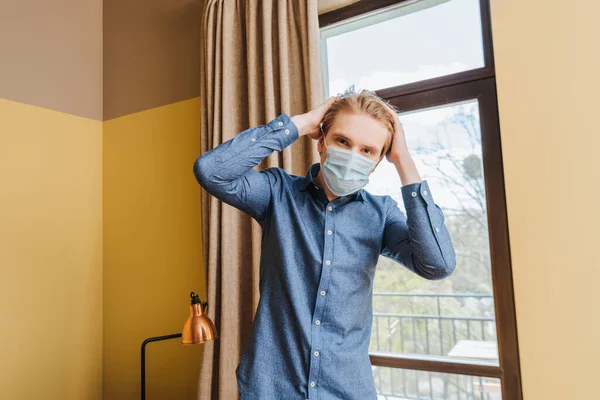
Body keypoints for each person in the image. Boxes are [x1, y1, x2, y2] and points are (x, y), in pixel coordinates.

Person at [193, 89, 456, 400]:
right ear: (321, 142)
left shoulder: (381, 214)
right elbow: (212, 171)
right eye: (343, 141)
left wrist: (404, 162)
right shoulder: (277, 193)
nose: (352, 156)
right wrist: (302, 123)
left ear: (376, 163)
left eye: (367, 151)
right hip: (270, 388)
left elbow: (437, 264)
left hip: (347, 390)